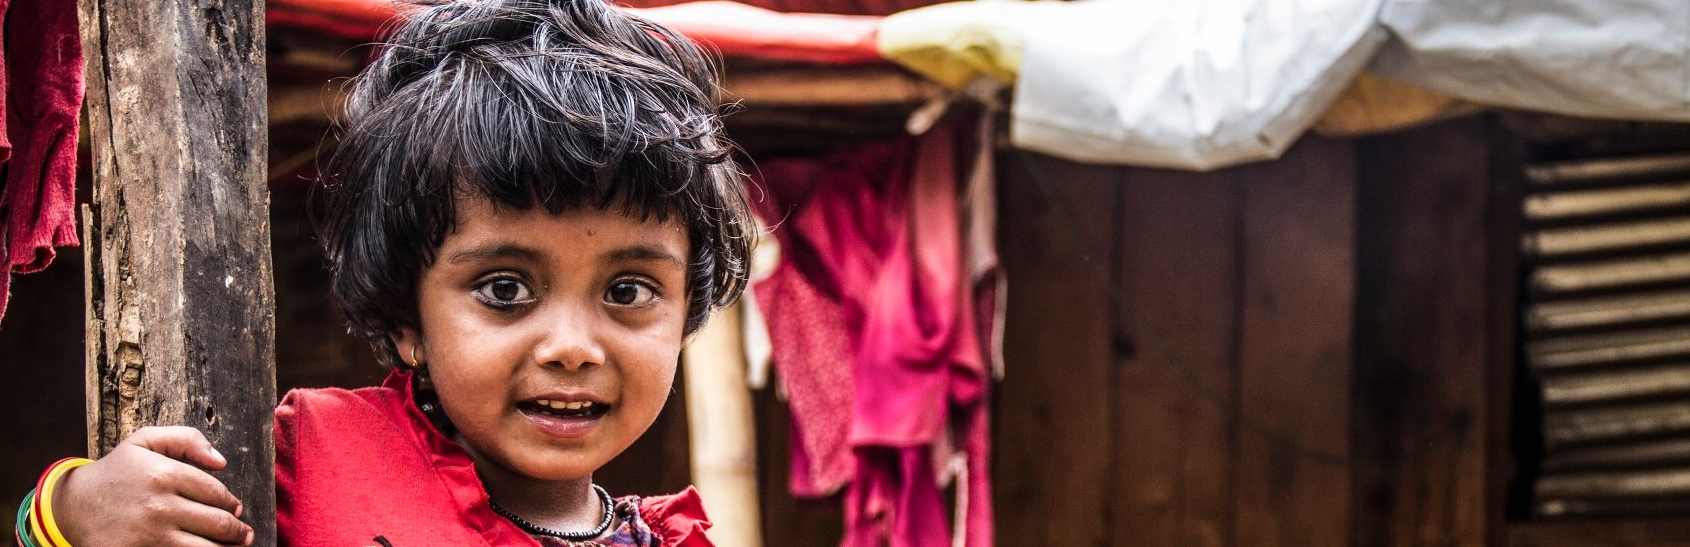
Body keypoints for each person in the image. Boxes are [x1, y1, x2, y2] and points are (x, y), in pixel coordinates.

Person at [23, 0, 750, 545]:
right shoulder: (303, 457)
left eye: (627, 291)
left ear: (684, 310)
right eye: (505, 289)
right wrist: (68, 510)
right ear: (407, 318)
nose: (571, 345)